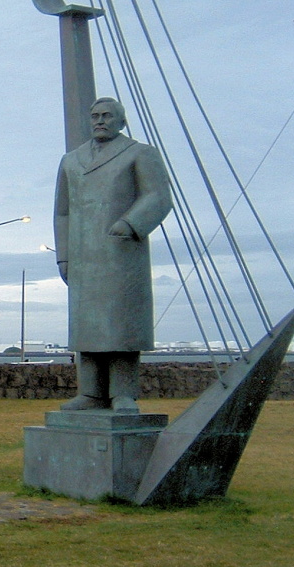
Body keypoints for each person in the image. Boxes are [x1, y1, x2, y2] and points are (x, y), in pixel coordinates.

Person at [54, 97, 172, 413]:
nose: (100, 120)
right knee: (86, 328)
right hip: (83, 257)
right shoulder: (71, 161)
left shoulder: (139, 153)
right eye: (95, 116)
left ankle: (123, 393)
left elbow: (158, 196)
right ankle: (90, 392)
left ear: (121, 120)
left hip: (121, 253)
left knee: (121, 326)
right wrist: (63, 256)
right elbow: (62, 213)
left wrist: (131, 223)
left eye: (107, 115)